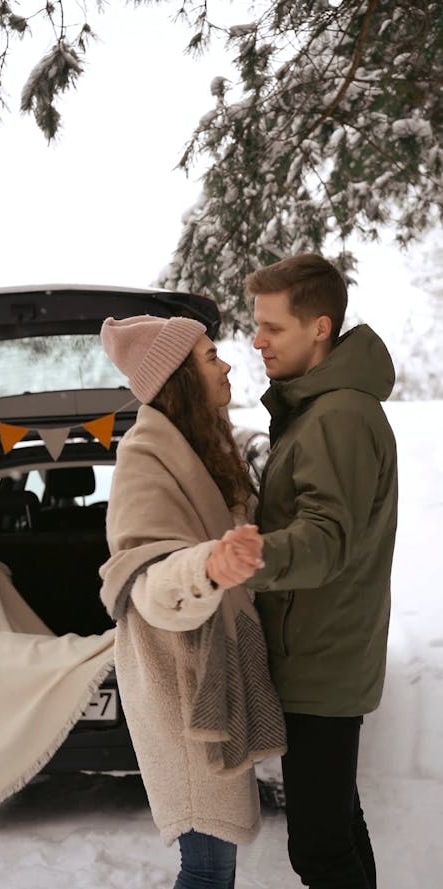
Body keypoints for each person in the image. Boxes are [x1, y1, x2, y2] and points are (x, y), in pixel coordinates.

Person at [210, 253, 398, 889]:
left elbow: (326, 539)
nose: (257, 340)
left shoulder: (338, 416)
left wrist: (253, 557)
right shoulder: (319, 410)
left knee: (319, 850)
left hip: (323, 662)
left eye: (272, 328)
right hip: (323, 653)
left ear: (319, 328)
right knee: (339, 825)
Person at [98, 314, 287, 889]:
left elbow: (238, 469)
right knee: (206, 868)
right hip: (181, 687)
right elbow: (148, 580)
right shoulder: (144, 456)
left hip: (207, 677)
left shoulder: (204, 444)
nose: (227, 364)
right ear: (179, 376)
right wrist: (207, 565)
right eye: (210, 357)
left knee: (212, 861)